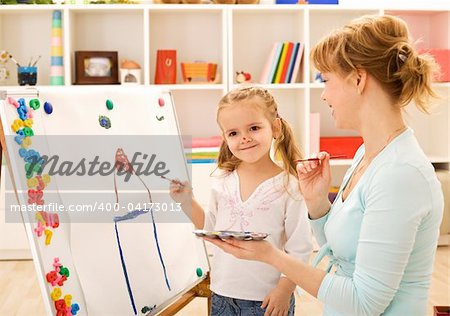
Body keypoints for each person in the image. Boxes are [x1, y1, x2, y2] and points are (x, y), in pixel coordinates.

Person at [204, 15, 444, 316]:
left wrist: (271, 256)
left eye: (326, 80)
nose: (323, 94)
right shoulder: (367, 156)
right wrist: (317, 204)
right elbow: (342, 252)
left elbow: (364, 302)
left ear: (358, 80)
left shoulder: (401, 175)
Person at [170, 86, 313, 316]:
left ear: (275, 128)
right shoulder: (222, 181)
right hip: (222, 295)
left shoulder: (289, 185)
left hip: (267, 300)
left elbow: (300, 248)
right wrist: (187, 202)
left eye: (254, 128)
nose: (244, 138)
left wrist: (285, 289)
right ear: (225, 139)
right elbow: (212, 231)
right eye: (233, 133)